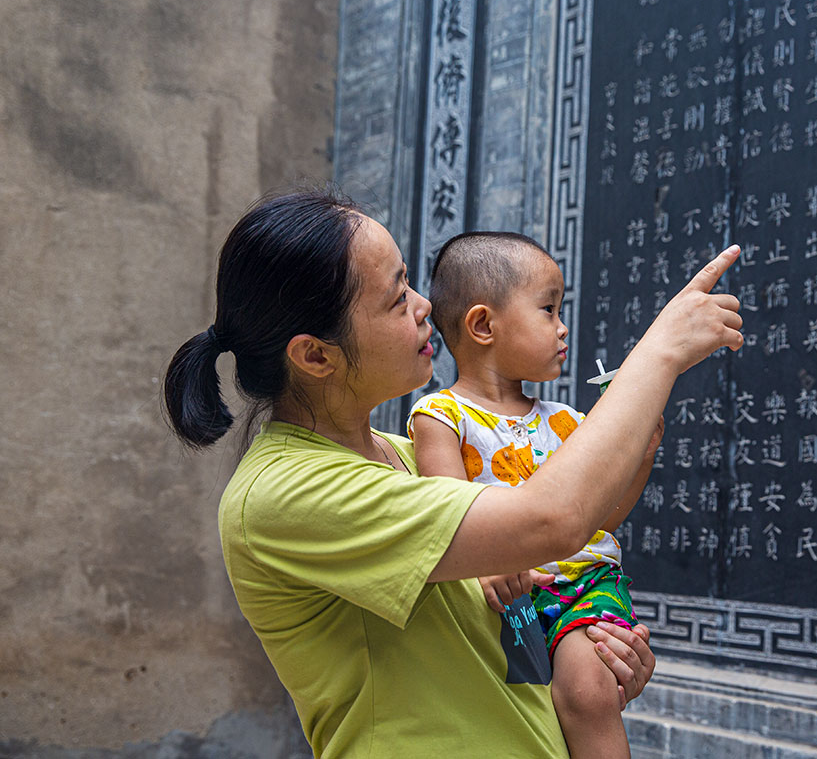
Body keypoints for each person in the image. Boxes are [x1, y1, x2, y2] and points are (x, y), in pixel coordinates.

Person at [162, 186, 743, 758]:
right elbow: (550, 520)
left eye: (410, 282)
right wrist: (659, 352)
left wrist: (594, 664)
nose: (424, 308)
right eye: (396, 299)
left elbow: (503, 648)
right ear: (316, 355)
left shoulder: (418, 457)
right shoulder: (285, 493)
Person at [407, 232, 661, 759]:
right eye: (548, 310)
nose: (563, 326)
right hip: (509, 595)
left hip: (585, 583)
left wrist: (642, 455)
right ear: (483, 325)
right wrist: (485, 565)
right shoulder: (441, 418)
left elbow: (602, 520)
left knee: (590, 691)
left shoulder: (570, 422)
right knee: (519, 705)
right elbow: (449, 510)